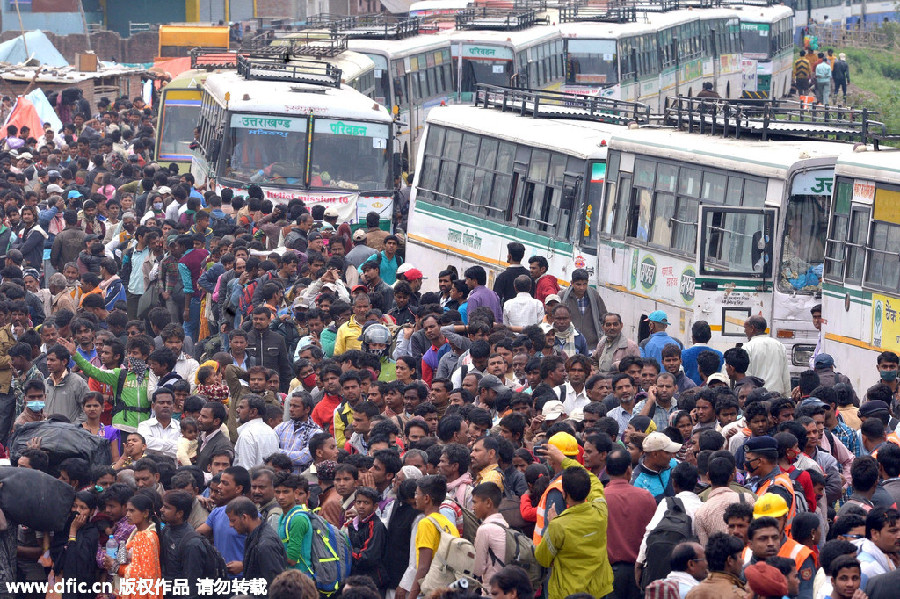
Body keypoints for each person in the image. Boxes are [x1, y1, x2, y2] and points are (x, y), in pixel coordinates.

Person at [535, 465, 613, 599]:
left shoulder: (558, 526)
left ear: (564, 493)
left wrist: (552, 523)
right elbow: (596, 484)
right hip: (598, 589)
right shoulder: (600, 512)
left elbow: (543, 558)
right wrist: (565, 460)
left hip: (568, 592)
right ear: (588, 491)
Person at [226, 496, 287, 586]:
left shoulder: (265, 545)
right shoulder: (253, 536)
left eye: (233, 520)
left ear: (244, 517)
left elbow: (275, 585)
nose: (230, 525)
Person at [119, 491, 162, 598]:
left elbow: (143, 573)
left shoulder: (146, 537)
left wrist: (117, 568)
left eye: (132, 511)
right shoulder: (137, 533)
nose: (127, 514)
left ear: (145, 513)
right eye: (127, 510)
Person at [685, 532, 748, 599]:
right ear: (730, 560)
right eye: (740, 557)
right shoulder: (738, 595)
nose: (743, 562)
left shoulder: (693, 593)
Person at [743, 316, 791, 395]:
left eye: (745, 328)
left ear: (752, 328)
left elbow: (747, 377)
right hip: (776, 398)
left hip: (757, 397)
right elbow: (785, 376)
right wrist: (788, 397)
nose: (745, 331)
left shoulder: (747, 347)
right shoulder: (779, 346)